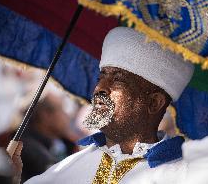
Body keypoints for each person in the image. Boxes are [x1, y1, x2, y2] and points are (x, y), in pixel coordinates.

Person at [16, 27, 194, 184]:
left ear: (154, 103)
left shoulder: (185, 175)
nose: (100, 88)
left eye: (118, 80)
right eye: (101, 78)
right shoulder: (66, 169)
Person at [20, 92, 78, 182]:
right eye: (62, 109)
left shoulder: (68, 144)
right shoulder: (28, 150)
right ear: (46, 116)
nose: (67, 115)